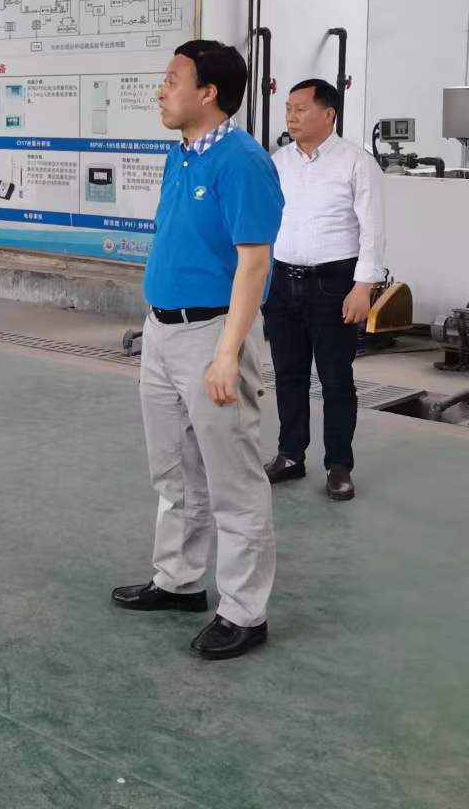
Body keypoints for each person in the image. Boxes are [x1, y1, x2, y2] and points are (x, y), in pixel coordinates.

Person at [112, 41, 284, 661]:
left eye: (172, 79)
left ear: (208, 93)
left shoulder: (243, 162)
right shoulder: (181, 153)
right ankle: (179, 580)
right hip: (161, 333)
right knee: (175, 470)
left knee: (232, 480)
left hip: (213, 335)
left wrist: (227, 355)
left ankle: (244, 612)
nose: (161, 90)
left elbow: (254, 263)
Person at [263, 79, 384, 502]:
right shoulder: (279, 162)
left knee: (335, 378)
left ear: (328, 113)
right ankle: (290, 455)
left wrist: (363, 287)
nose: (291, 116)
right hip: (282, 283)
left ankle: (339, 465)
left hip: (334, 285)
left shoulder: (356, 163)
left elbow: (373, 231)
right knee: (288, 374)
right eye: (288, 109)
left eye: (300, 109)